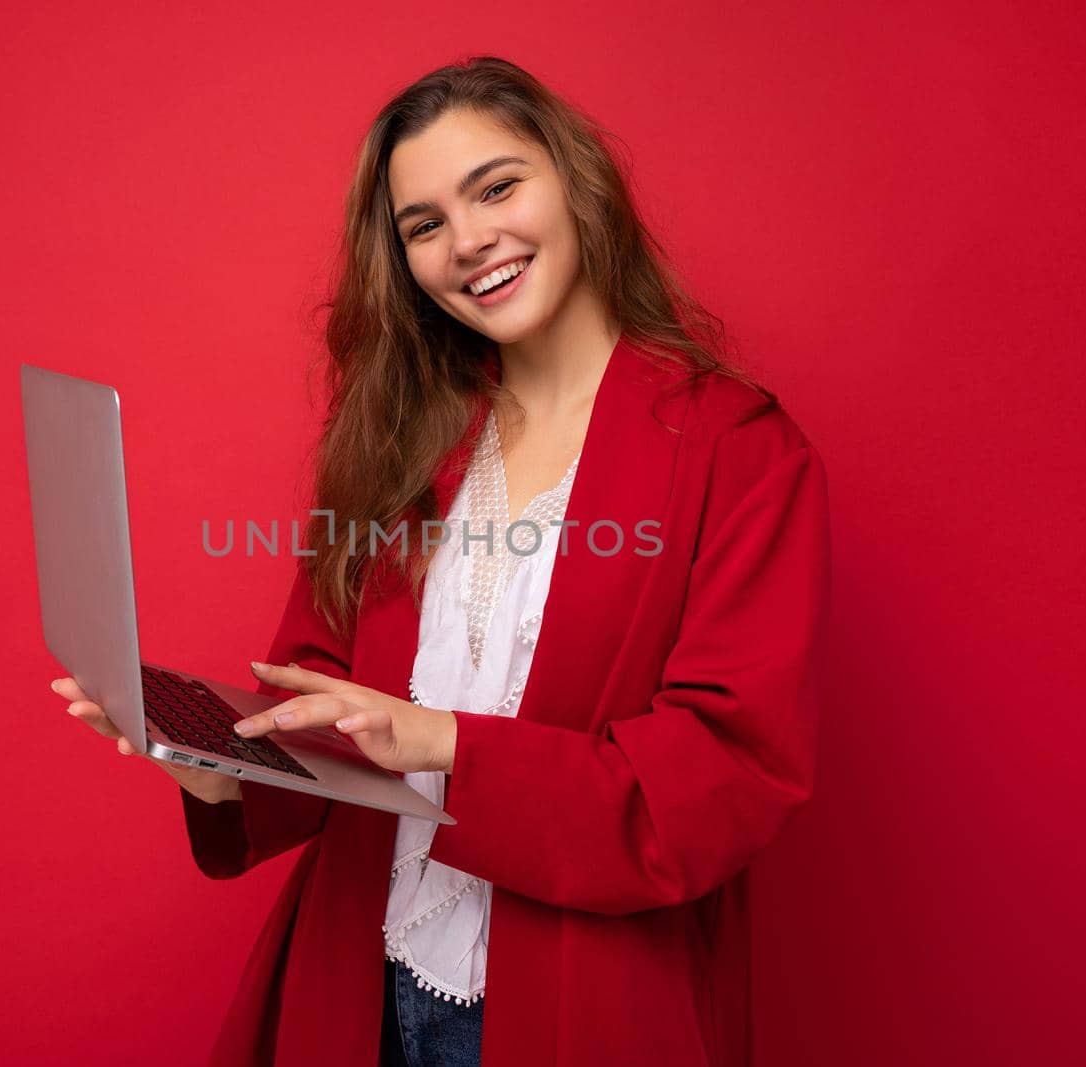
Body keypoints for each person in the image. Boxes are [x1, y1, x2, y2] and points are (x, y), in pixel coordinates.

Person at [51, 56, 831, 1067]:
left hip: (575, 997)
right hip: (360, 970)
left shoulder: (739, 449)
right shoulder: (403, 440)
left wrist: (445, 739)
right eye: (423, 225)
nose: (469, 242)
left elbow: (727, 771)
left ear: (577, 181)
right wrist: (214, 769)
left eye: (497, 187)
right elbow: (323, 694)